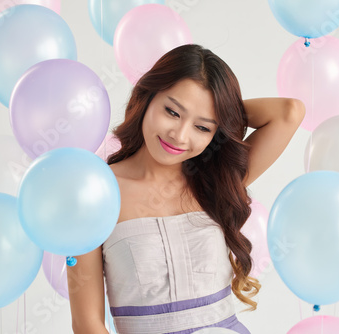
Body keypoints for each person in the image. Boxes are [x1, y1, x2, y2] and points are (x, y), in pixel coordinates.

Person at [67, 43, 305, 334]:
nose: (179, 136)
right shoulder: (94, 193)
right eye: (172, 111)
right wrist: (207, 117)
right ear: (146, 97)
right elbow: (86, 324)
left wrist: (222, 114)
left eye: (202, 128)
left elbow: (289, 112)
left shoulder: (216, 180)